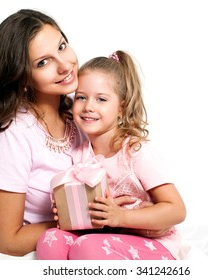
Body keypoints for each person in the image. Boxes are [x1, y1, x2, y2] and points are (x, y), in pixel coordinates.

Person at [0, 9, 167, 257]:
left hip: (85, 244)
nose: (65, 65)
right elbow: (8, 242)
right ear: (21, 76)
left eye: (62, 46)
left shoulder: (79, 113)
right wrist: (84, 220)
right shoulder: (11, 135)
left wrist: (130, 214)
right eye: (43, 62)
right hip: (32, 253)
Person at [36, 50, 190, 260]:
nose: (89, 106)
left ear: (121, 108)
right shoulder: (81, 156)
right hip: (104, 238)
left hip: (154, 243)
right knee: (50, 239)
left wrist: (121, 217)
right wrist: (69, 211)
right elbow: (93, 218)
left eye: (101, 99)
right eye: (81, 97)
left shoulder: (134, 153)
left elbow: (177, 210)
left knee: (87, 247)